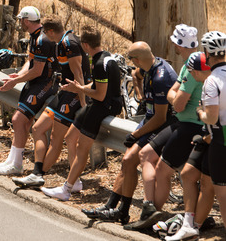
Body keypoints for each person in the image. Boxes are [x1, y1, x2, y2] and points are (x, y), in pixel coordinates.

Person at [82, 41, 176, 225]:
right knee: (127, 161)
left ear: (138, 59)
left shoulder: (160, 77)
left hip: (162, 123)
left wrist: (136, 134)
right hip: (150, 120)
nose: (131, 63)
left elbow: (161, 118)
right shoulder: (147, 67)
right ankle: (115, 208)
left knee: (130, 159)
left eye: (132, 59)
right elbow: (135, 74)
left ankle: (122, 210)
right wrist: (140, 94)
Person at [128, 25, 203, 229]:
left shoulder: (192, 65)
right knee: (145, 154)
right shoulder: (188, 63)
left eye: (174, 42)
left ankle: (153, 216)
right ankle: (148, 207)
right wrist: (175, 96)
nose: (172, 45)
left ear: (179, 44)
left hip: (190, 125)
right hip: (180, 121)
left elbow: (177, 102)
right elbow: (174, 95)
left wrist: (175, 97)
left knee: (162, 170)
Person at [39, 25, 123, 200]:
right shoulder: (105, 56)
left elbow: (99, 95)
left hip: (102, 107)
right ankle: (74, 181)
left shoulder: (99, 63)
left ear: (85, 45)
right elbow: (96, 87)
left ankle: (67, 188)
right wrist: (78, 87)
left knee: (81, 147)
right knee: (70, 138)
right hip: (97, 104)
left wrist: (81, 91)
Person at [13, 16, 88, 190]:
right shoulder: (61, 42)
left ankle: (39, 175)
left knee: (56, 138)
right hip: (64, 93)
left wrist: (84, 102)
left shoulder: (69, 43)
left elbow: (80, 74)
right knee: (38, 129)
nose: (45, 36)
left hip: (74, 95)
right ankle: (37, 174)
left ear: (51, 31)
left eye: (46, 32)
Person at [0, 6, 57, 175]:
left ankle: (16, 164)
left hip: (46, 83)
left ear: (26, 21)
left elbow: (38, 70)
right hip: (35, 82)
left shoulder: (41, 39)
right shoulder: (34, 37)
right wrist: (18, 74)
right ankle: (13, 161)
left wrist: (16, 81)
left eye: (20, 20)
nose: (20, 23)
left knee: (18, 119)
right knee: (22, 122)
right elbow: (30, 62)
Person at [166, 52, 212, 241]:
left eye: (193, 72)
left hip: (215, 138)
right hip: (208, 135)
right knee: (187, 174)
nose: (190, 76)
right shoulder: (206, 82)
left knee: (210, 185)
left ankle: (194, 228)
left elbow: (215, 118)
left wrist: (201, 112)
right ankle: (188, 226)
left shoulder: (216, 84)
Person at [194, 31, 226, 231]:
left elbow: (211, 118)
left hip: (221, 141)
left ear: (206, 54)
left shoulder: (211, 81)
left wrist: (199, 112)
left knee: (223, 195)